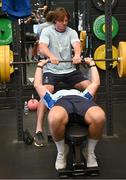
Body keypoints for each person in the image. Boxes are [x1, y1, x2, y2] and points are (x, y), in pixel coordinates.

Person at [34, 7, 92, 147]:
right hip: (52, 70)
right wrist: (51, 56)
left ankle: (86, 118)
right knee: (45, 91)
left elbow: (77, 45)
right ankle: (39, 129)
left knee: (90, 86)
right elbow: (42, 47)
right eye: (62, 21)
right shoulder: (47, 31)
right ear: (55, 21)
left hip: (69, 70)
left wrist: (77, 55)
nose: (65, 23)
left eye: (66, 20)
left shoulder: (71, 32)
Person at [34, 58, 106, 170]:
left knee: (99, 116)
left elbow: (96, 83)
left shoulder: (84, 95)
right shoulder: (52, 99)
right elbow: (38, 85)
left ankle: (89, 152)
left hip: (81, 101)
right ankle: (62, 152)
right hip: (61, 103)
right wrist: (40, 66)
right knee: (54, 117)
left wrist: (92, 63)